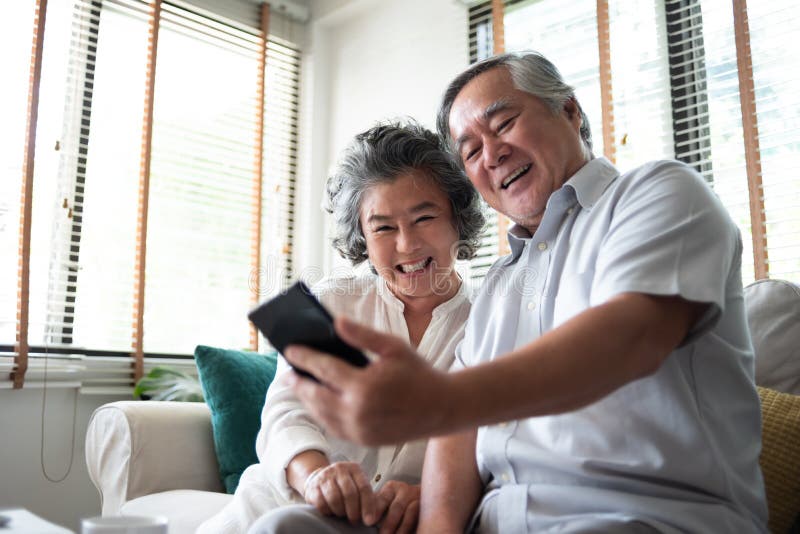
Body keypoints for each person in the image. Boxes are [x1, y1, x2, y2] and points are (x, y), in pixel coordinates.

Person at [283, 51, 769, 533]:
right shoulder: (492, 281)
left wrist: (439, 403)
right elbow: (290, 410)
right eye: (471, 150)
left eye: (504, 123)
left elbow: (630, 336)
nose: (491, 154)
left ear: (570, 111)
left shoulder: (658, 192)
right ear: (361, 238)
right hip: (308, 500)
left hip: (637, 517)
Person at [196, 119, 485, 534]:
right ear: (362, 238)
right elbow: (285, 414)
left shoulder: (493, 317)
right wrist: (316, 477)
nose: (406, 244)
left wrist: (435, 494)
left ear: (458, 218)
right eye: (383, 226)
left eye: (424, 218)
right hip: (273, 509)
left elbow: (498, 444)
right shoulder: (324, 298)